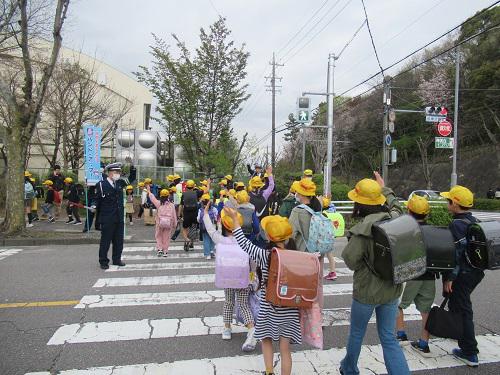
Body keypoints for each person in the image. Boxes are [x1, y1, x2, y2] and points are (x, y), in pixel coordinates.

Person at [340, 172, 410, 375]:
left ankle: (349, 368)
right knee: (388, 337)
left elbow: (350, 261)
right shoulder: (395, 219)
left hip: (366, 293)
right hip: (392, 289)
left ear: (359, 204)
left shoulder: (363, 229)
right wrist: (384, 188)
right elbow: (397, 206)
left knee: (356, 333)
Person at [226, 209, 301, 375]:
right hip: (290, 309)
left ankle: (269, 372)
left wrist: (234, 220)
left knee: (266, 341)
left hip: (269, 308)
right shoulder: (297, 256)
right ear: (288, 237)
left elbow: (244, 243)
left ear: (268, 237)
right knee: (285, 349)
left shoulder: (264, 255)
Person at [203, 204, 257, 352]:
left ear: (225, 227)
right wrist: (252, 275)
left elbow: (210, 229)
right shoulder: (246, 242)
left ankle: (227, 328)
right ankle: (251, 328)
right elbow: (253, 263)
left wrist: (206, 213)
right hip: (243, 278)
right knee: (243, 304)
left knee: (228, 302)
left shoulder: (220, 240)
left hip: (227, 278)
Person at [440, 185, 483, 367]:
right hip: (476, 272)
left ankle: (469, 352)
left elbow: (456, 255)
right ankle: (463, 339)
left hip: (462, 274)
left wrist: (450, 278)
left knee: (463, 309)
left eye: (449, 200)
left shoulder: (456, 225)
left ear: (455, 204)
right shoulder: (474, 220)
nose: (447, 202)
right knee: (460, 306)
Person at [396, 195, 436, 355]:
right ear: (427, 214)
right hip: (429, 275)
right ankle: (424, 342)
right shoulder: (434, 231)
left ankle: (401, 335)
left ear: (408, 211)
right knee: (426, 310)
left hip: (411, 275)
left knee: (398, 305)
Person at [93, 162, 127, 270]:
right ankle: (103, 261)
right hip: (107, 218)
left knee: (118, 241)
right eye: (116, 172)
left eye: (119, 172)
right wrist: (93, 205)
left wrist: (133, 167)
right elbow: (96, 198)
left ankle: (117, 259)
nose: (118, 174)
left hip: (119, 217)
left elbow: (131, 178)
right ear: (109, 173)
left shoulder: (119, 183)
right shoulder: (102, 185)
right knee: (105, 241)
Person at [288, 178, 322, 252]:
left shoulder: (297, 211)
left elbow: (291, 234)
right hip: (317, 252)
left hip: (303, 252)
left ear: (301, 194)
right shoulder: (318, 209)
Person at [147, 186, 177, 257]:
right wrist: (175, 224)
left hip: (159, 223)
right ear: (168, 196)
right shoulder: (172, 205)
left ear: (160, 196)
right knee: (166, 237)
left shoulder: (158, 203)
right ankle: (165, 251)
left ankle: (160, 249)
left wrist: (149, 191)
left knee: (158, 236)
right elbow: (174, 215)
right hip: (169, 224)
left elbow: (152, 198)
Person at [179, 179, 202, 251]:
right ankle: (191, 243)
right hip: (195, 213)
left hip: (186, 213)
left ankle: (186, 239)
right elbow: (206, 190)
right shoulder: (196, 193)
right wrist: (208, 183)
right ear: (193, 186)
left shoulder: (184, 194)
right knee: (193, 228)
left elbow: (181, 205)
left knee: (185, 228)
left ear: (186, 187)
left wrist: (179, 214)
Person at [322, 197, 339, 281]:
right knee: (330, 255)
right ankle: (333, 272)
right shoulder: (333, 211)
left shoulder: (322, 214)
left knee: (319, 255)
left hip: (323, 237)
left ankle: (316, 272)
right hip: (331, 236)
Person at [198, 193, 218, 260]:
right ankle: (212, 251)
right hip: (212, 227)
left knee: (206, 240)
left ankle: (207, 254)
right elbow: (216, 218)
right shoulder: (214, 209)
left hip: (204, 227)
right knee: (212, 239)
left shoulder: (200, 210)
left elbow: (198, 219)